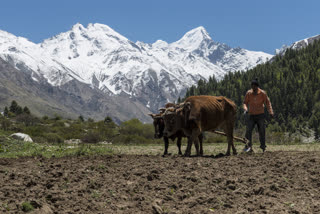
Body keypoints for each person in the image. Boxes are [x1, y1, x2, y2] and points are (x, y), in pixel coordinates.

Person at [243, 78, 274, 153]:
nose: (253, 88)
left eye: (255, 86)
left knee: (262, 131)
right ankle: (248, 147)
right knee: (248, 131)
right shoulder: (249, 93)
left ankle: (263, 147)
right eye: (252, 86)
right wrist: (245, 109)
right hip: (251, 115)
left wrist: (271, 112)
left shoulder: (262, 93)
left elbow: (268, 103)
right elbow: (245, 103)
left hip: (260, 115)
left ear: (257, 87)